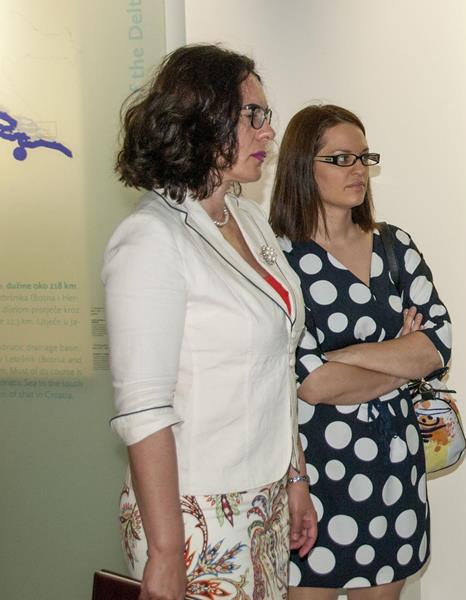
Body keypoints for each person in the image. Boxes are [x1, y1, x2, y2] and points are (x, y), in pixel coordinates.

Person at [104, 44, 317, 600]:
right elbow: (144, 409)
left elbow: (279, 365)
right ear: (201, 117)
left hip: (264, 498)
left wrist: (295, 479)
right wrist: (166, 552)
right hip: (192, 513)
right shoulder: (151, 238)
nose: (269, 131)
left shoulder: (248, 219)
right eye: (253, 114)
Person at [269, 104, 452, 600]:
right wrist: (398, 356)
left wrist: (341, 355)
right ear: (301, 166)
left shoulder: (394, 245)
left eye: (364, 157)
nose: (358, 170)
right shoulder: (279, 259)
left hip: (395, 464)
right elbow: (313, 383)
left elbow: (437, 344)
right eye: (341, 159)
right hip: (314, 474)